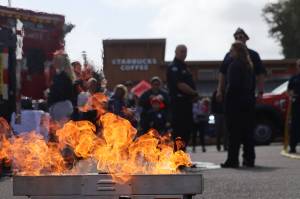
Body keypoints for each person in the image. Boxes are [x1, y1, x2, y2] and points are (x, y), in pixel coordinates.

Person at [221, 42, 256, 168]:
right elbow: (252, 86)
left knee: (234, 133)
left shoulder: (234, 65)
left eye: (232, 50)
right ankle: (249, 159)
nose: (230, 52)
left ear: (237, 51)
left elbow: (232, 87)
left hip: (235, 104)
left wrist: (227, 103)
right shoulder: (249, 66)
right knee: (247, 132)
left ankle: (232, 160)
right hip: (248, 102)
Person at [166, 44, 199, 151]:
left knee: (186, 131)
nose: (184, 53)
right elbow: (180, 85)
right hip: (178, 104)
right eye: (181, 51)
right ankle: (177, 159)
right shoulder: (174, 67)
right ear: (175, 52)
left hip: (186, 104)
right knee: (179, 132)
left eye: (185, 51)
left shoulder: (184, 66)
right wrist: (194, 93)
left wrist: (192, 96)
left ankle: (182, 157)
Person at [47, 52, 75, 123]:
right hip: (66, 106)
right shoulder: (66, 76)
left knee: (59, 131)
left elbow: (59, 93)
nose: (53, 62)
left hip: (60, 107)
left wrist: (49, 94)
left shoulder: (60, 77)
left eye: (54, 60)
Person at [287, 59, 300, 153]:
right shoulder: (294, 78)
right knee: (295, 126)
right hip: (296, 104)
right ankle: (292, 146)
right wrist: (291, 95)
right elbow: (289, 90)